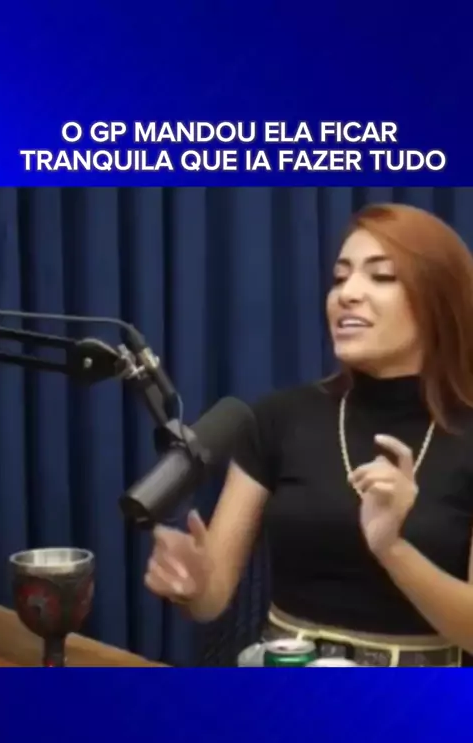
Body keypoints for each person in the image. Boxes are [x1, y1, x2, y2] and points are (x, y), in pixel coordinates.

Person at [145, 202, 473, 667]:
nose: (347, 294)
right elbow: (211, 600)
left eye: (381, 276)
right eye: (340, 278)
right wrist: (193, 585)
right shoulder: (279, 418)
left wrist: (391, 547)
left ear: (439, 301)